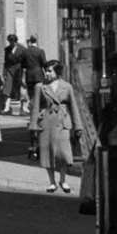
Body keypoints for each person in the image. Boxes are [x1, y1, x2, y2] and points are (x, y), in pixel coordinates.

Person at [29, 59, 85, 193]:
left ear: (57, 72)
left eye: (49, 71)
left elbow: (74, 106)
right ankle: (52, 182)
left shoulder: (67, 86)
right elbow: (35, 107)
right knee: (48, 153)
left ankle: (63, 180)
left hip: (62, 122)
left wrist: (78, 126)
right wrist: (34, 126)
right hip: (46, 122)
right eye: (45, 71)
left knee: (63, 153)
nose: (46, 74)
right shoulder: (40, 87)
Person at [21, 36, 48, 156]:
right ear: (36, 41)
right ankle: (38, 109)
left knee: (32, 97)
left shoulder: (25, 52)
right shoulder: (40, 51)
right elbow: (44, 64)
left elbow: (23, 65)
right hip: (38, 75)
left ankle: (33, 109)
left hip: (29, 76)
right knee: (40, 96)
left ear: (29, 42)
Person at [2, 34, 26, 114]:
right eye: (9, 41)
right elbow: (5, 62)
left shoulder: (22, 49)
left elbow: (25, 61)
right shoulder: (7, 49)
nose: (10, 43)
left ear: (16, 41)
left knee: (22, 87)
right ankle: (7, 107)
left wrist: (24, 72)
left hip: (20, 69)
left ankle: (24, 108)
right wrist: (4, 72)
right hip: (10, 69)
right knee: (7, 87)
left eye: (12, 41)